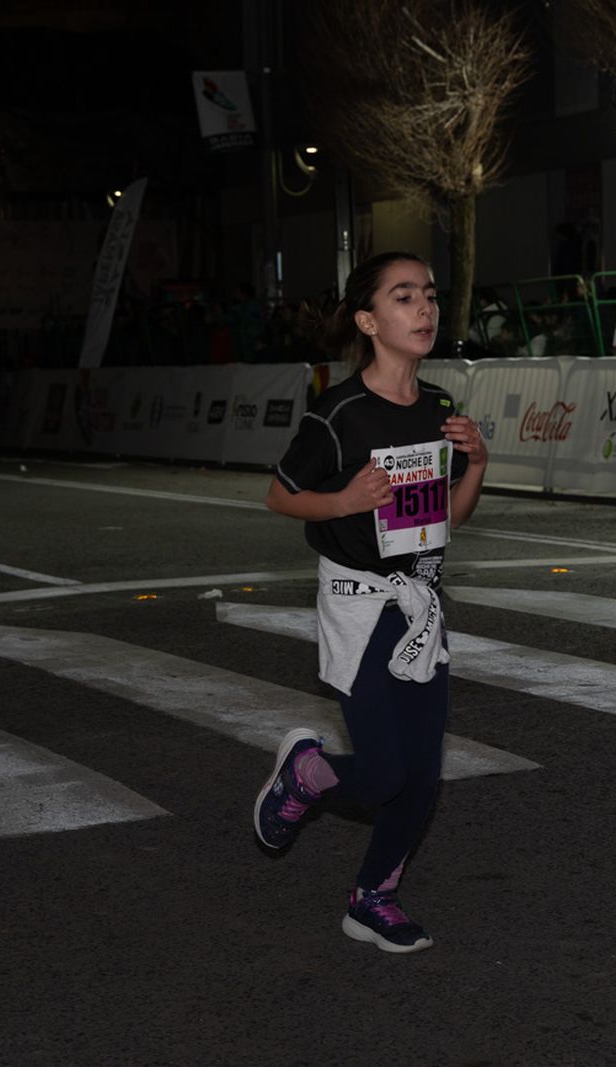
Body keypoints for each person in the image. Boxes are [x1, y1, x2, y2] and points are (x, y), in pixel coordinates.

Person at [255, 251, 489, 954]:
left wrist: (477, 462)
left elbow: (449, 518)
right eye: (403, 296)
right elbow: (279, 494)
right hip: (358, 604)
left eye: (428, 294)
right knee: (384, 772)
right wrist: (344, 499)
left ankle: (372, 899)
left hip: (419, 605)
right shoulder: (340, 413)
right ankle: (306, 772)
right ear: (368, 320)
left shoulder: (442, 407)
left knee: (422, 775)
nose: (424, 308)